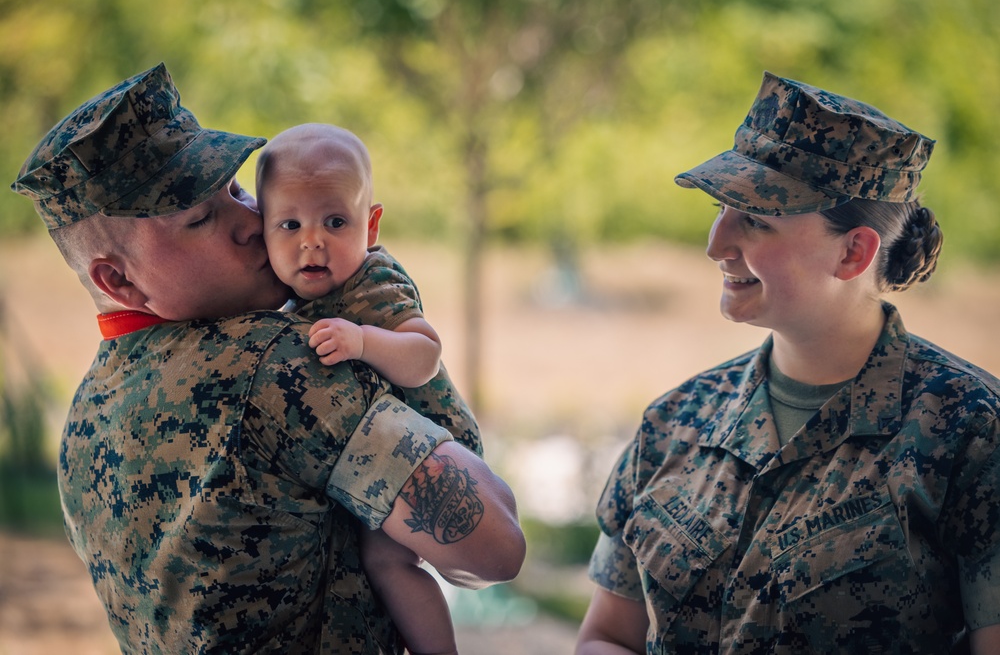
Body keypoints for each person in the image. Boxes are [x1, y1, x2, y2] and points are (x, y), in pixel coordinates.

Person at [10, 63, 525, 654]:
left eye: (234, 190)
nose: (253, 223)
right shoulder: (275, 366)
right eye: (202, 218)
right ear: (117, 280)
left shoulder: (83, 418)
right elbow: (495, 546)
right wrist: (379, 308)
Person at [575, 71, 1000, 654]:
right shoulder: (675, 422)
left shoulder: (970, 432)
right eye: (722, 208)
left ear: (853, 252)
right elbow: (607, 636)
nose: (716, 242)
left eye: (755, 219)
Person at [255, 122, 480, 655]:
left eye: (336, 221)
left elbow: (424, 354)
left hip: (434, 443)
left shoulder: (373, 283)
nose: (313, 240)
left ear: (370, 224)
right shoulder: (293, 294)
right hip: (381, 456)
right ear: (261, 230)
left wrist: (362, 340)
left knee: (389, 561)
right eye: (289, 224)